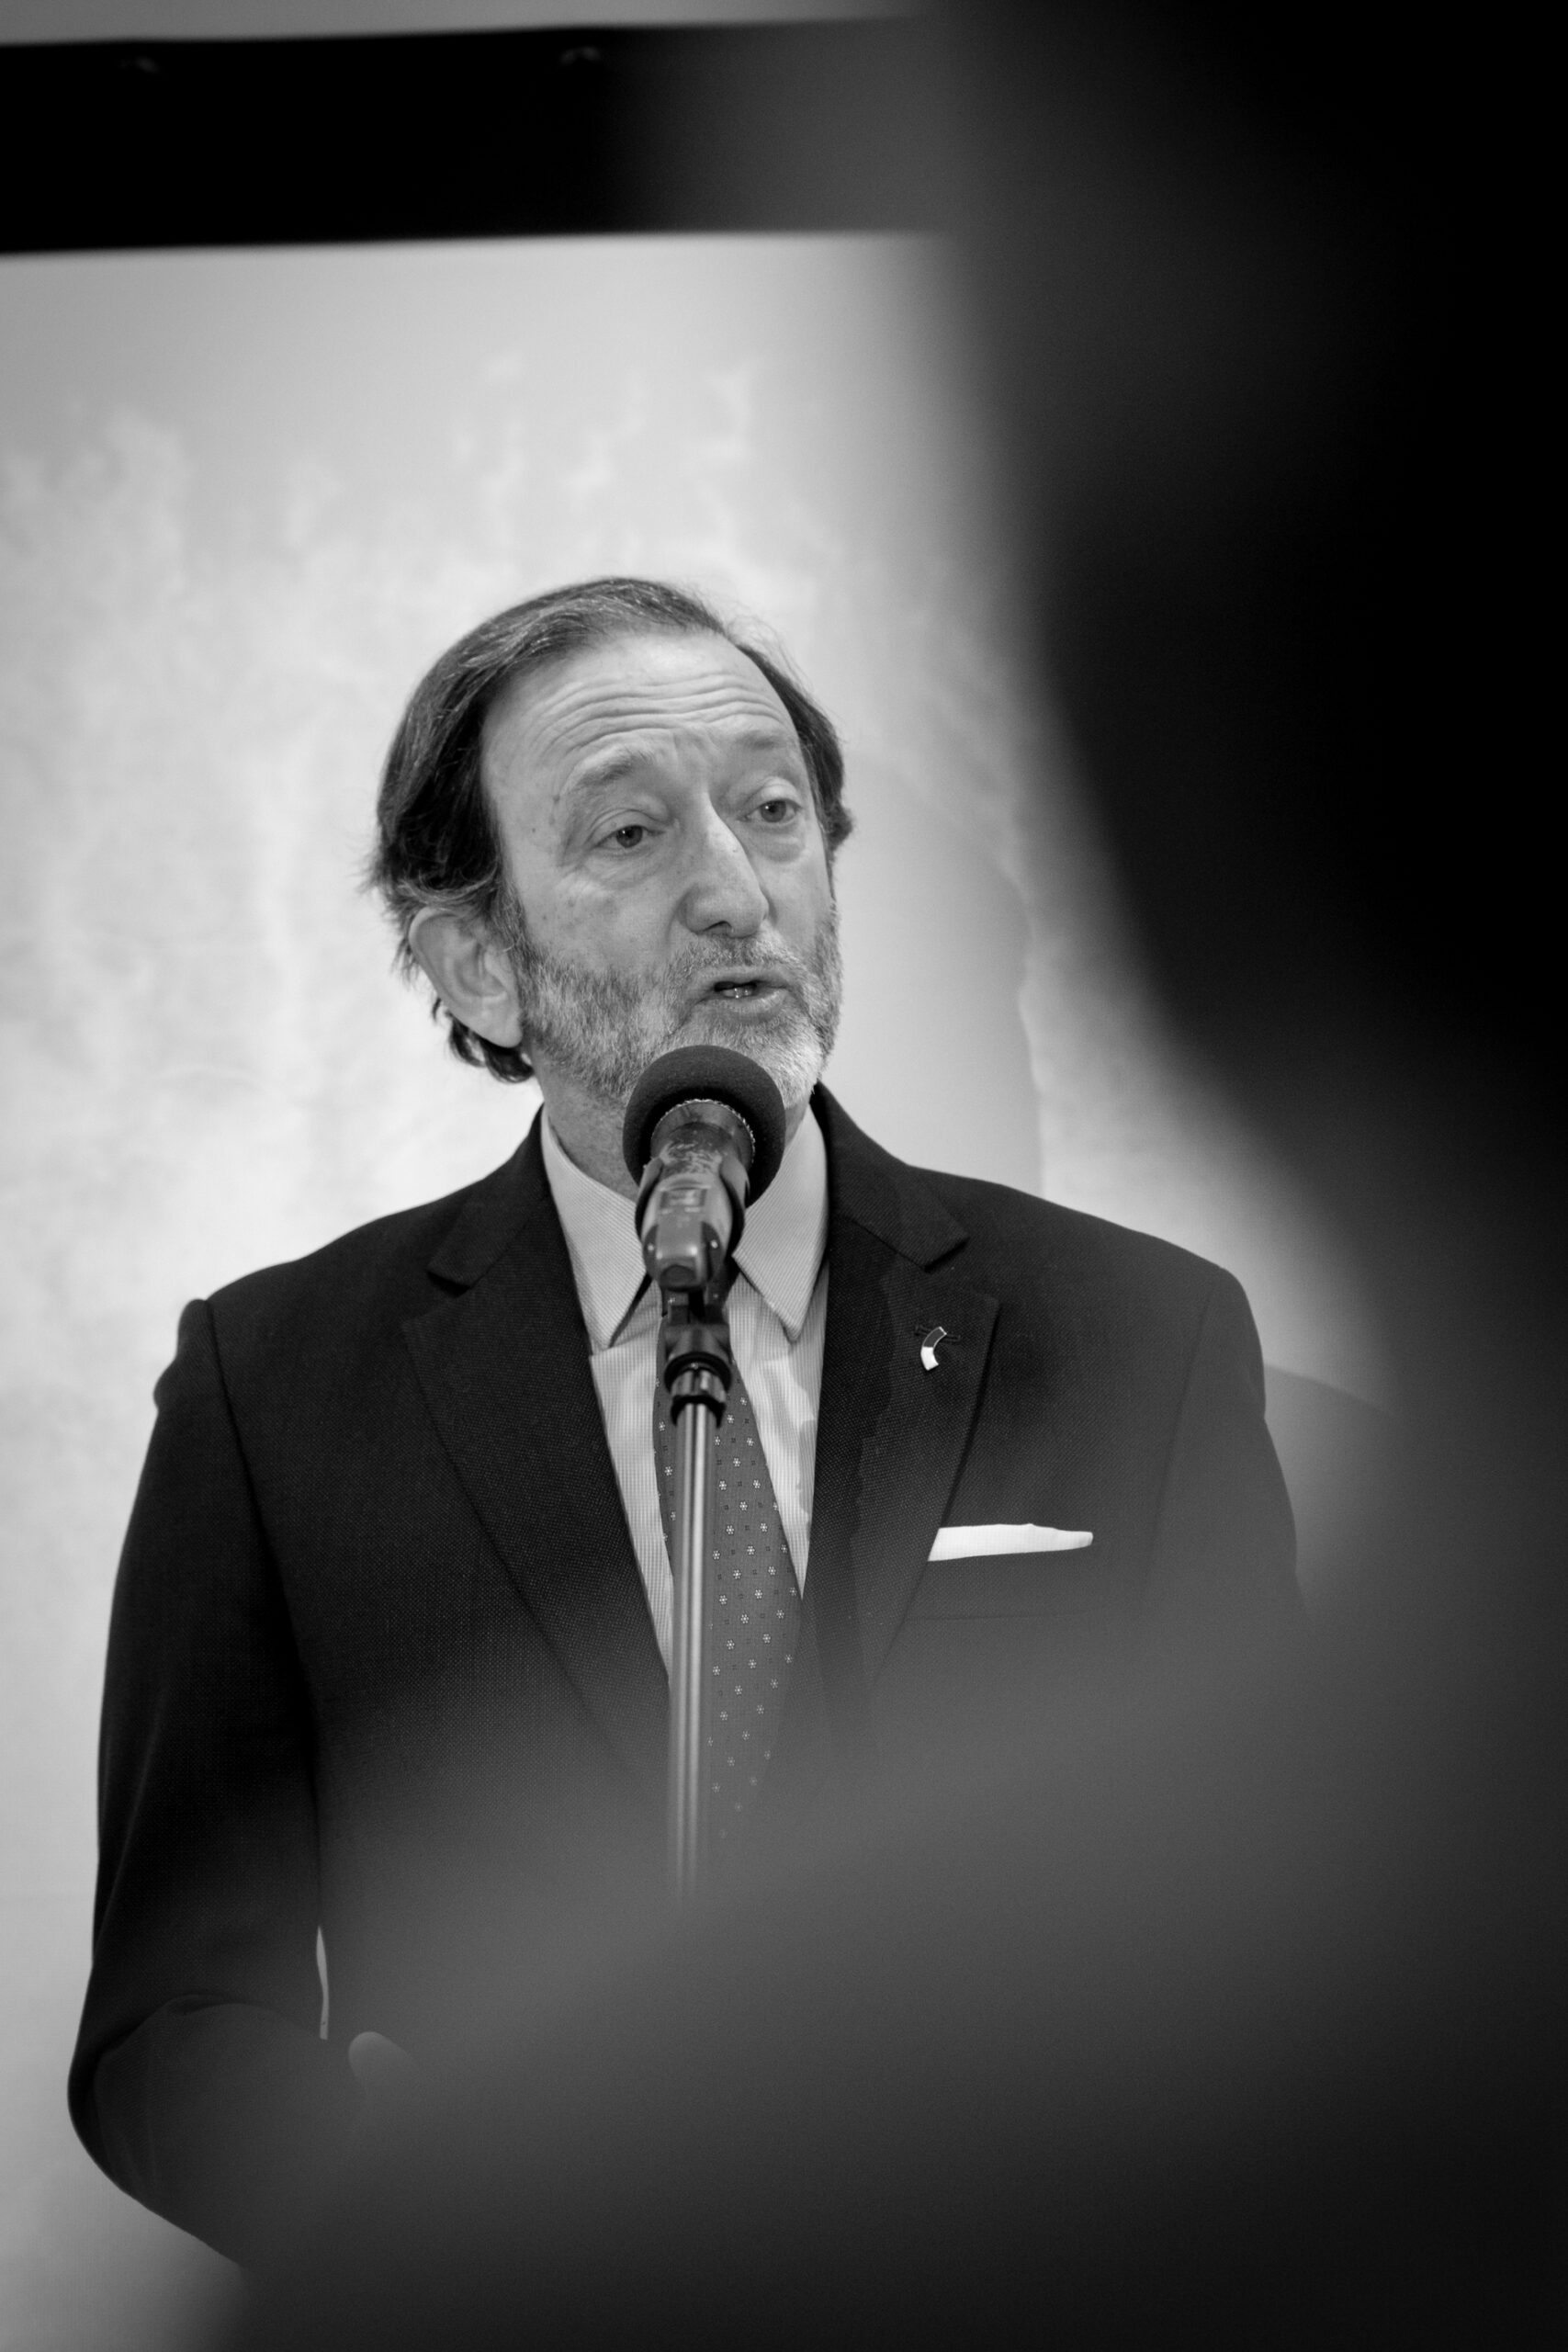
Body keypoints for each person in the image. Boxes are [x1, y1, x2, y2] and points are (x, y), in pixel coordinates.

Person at [69, 574, 1297, 2272]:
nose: (737, 891)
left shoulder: (1137, 1339)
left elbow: (1280, 1926)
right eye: (633, 832)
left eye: (773, 812)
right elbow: (173, 2023)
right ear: (480, 965)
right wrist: (409, 2208)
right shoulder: (273, 1388)